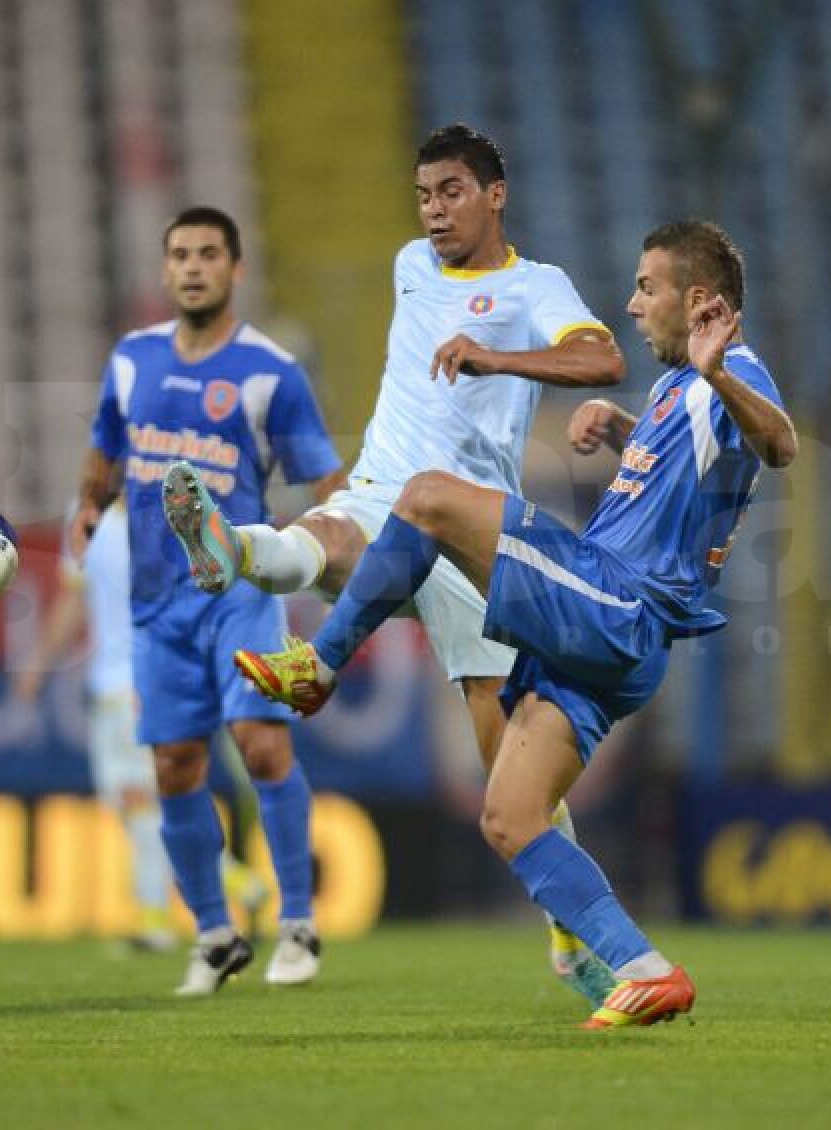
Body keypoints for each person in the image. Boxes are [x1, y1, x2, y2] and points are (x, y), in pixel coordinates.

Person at [231, 220, 797, 1028]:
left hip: (615, 600)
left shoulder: (729, 369)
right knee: (510, 815)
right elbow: (698, 481)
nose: (632, 304)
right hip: (626, 643)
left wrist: (718, 372)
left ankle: (317, 667)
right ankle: (645, 968)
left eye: (647, 286)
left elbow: (779, 444)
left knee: (426, 495)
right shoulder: (681, 390)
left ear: (699, 300)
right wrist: (624, 432)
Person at [162, 123, 625, 1007]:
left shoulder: (536, 287)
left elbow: (602, 356)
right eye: (423, 194)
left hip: (466, 525)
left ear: (496, 194)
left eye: (451, 191)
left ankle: (570, 936)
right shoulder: (412, 263)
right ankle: (231, 547)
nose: (434, 210)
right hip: (384, 490)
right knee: (326, 541)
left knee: (510, 780)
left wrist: (496, 356)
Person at [70, 206, 345, 995]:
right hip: (156, 606)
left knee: (262, 747)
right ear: (165, 271)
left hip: (235, 598)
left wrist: (313, 559)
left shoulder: (269, 374)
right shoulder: (131, 361)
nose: (193, 267)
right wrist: (90, 507)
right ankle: (215, 936)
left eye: (208, 254)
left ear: (235, 269)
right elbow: (104, 453)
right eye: (180, 255)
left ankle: (298, 923)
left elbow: (327, 486)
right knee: (175, 765)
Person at [15, 499, 269, 953]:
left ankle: (159, 917)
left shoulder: (161, 515)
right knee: (133, 802)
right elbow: (76, 597)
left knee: (143, 800)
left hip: (144, 679)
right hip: (108, 681)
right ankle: (227, 875)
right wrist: (41, 661)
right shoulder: (85, 512)